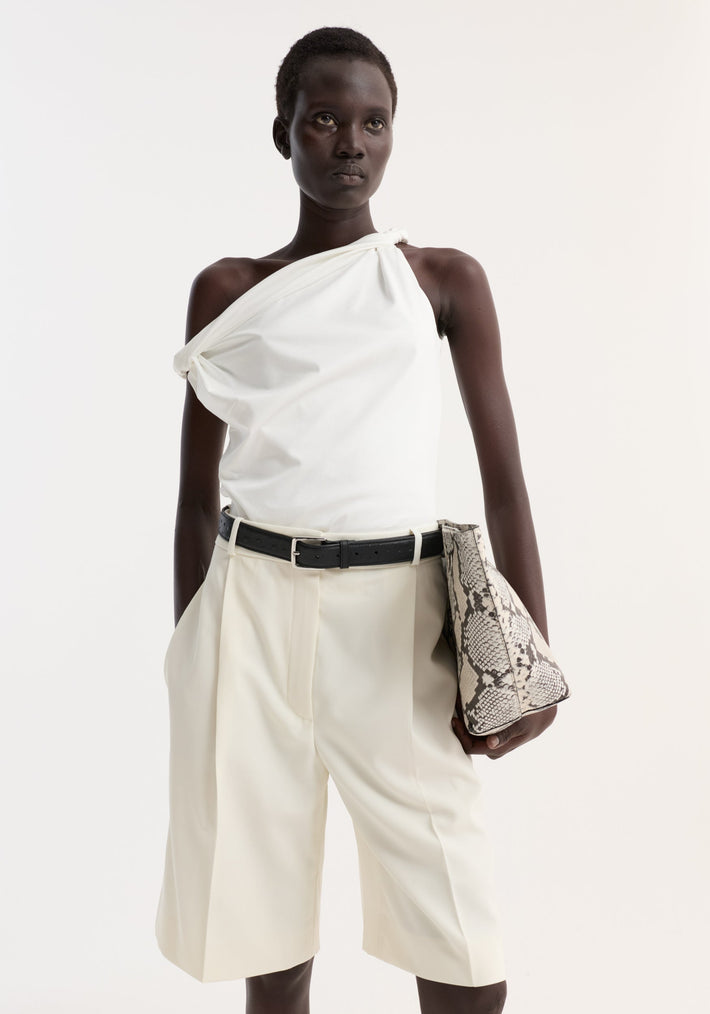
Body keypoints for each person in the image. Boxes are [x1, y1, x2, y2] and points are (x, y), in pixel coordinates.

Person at [155, 25, 557, 1014]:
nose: (349, 144)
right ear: (282, 134)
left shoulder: (438, 282)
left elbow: (505, 482)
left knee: (456, 928)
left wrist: (532, 663)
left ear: (392, 136)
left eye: (372, 123)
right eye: (324, 120)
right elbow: (195, 497)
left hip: (398, 620)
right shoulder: (229, 293)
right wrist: (192, 644)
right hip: (249, 612)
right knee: (265, 927)